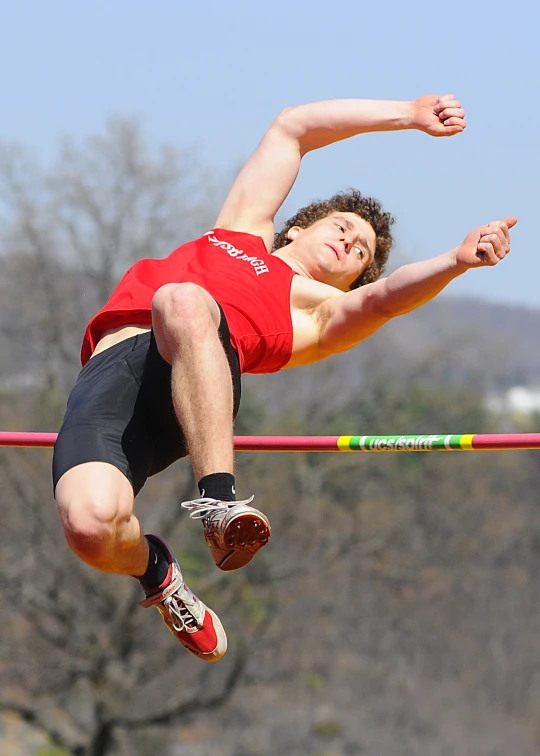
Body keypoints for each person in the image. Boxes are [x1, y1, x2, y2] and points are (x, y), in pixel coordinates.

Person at [52, 94, 515, 663]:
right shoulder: (240, 231)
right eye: (343, 226)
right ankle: (157, 570)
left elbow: (384, 301)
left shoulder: (318, 313)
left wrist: (456, 260)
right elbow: (293, 128)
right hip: (110, 375)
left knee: (183, 301)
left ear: (351, 281)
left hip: (193, 389)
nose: (349, 240)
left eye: (360, 252)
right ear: (296, 227)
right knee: (90, 527)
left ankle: (219, 505)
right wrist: (406, 115)